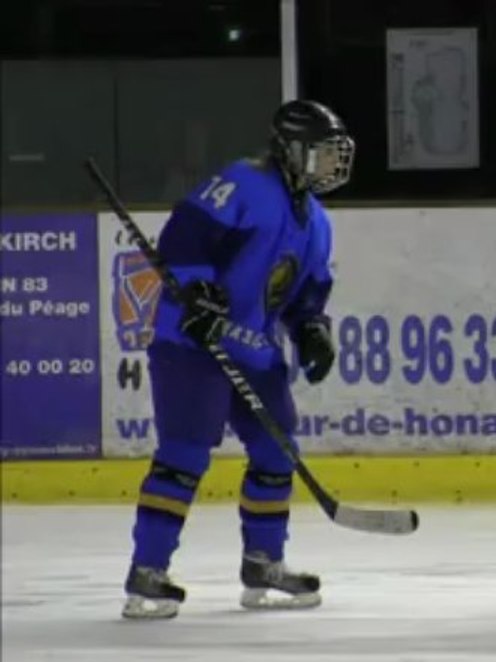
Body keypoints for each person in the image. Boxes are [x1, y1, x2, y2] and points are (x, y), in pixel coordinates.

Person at [121, 99, 354, 619]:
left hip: (252, 346)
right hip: (192, 342)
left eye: (332, 153)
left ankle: (263, 564)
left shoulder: (317, 222)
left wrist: (312, 329)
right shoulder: (243, 184)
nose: (329, 163)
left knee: (278, 447)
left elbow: (306, 292)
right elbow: (185, 234)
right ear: (290, 150)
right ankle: (147, 572)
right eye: (319, 152)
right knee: (185, 453)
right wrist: (197, 289)